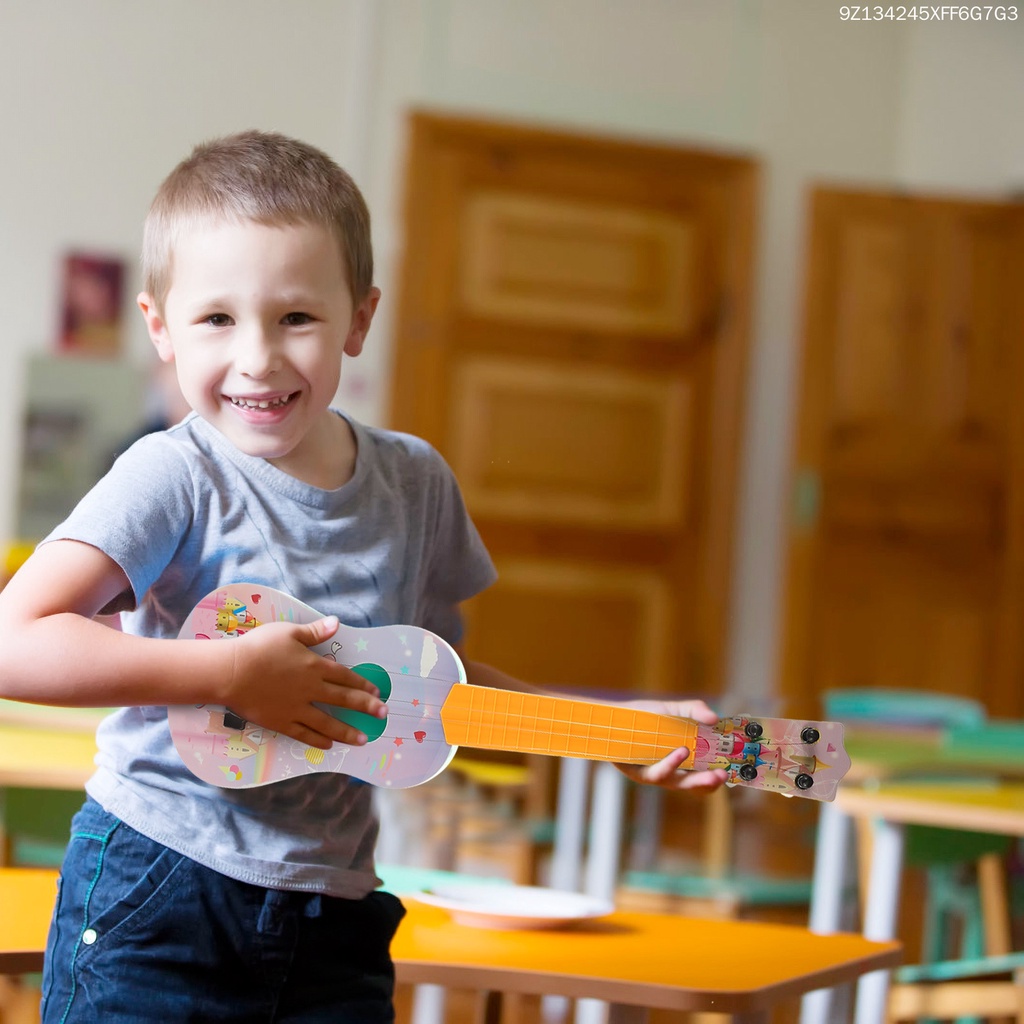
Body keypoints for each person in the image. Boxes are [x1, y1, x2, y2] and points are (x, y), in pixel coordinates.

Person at [0, 130, 726, 1023]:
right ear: (159, 326)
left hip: (333, 915)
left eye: (296, 317)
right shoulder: (172, 474)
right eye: (217, 319)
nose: (259, 357)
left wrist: (614, 731)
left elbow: (437, 690)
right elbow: (14, 642)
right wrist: (228, 676)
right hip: (158, 890)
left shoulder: (414, 482)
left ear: (360, 318)